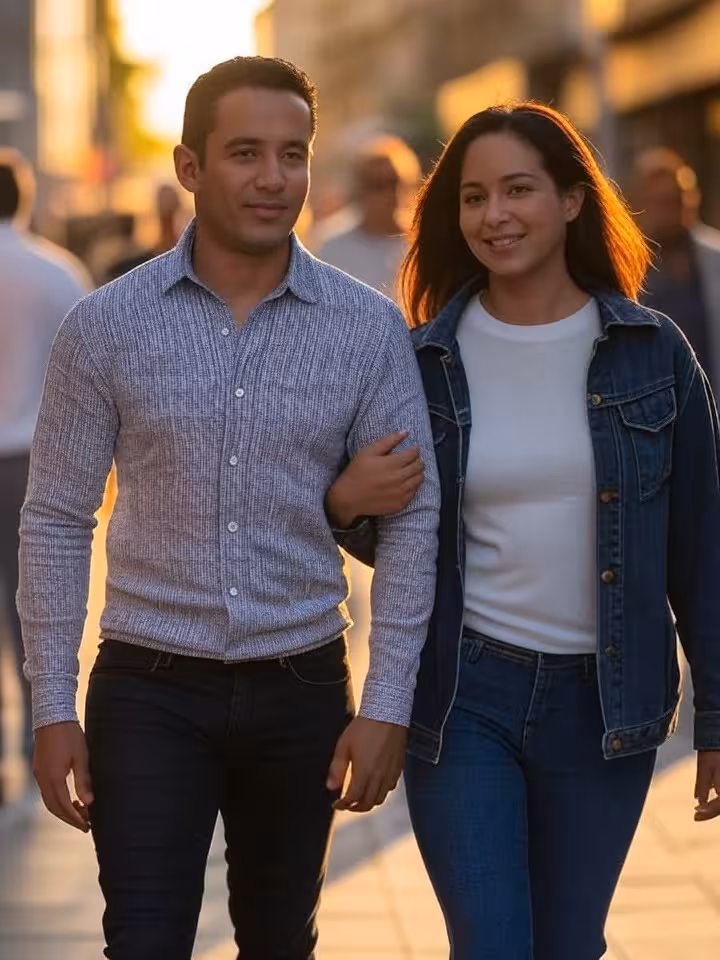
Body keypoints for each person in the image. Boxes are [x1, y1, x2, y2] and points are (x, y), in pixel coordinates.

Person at [17, 56, 438, 960]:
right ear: (189, 167)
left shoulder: (366, 329)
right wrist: (52, 706)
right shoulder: (105, 326)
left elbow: (412, 522)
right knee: (143, 939)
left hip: (303, 687)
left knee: (281, 943)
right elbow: (56, 515)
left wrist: (388, 703)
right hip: (146, 689)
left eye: (293, 154)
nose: (272, 178)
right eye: (245, 152)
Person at [326, 103, 720, 959]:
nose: (493, 216)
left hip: (606, 703)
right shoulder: (421, 361)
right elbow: (399, 533)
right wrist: (344, 503)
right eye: (473, 197)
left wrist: (718, 720)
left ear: (574, 199)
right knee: (493, 944)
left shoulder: (654, 354)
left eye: (518, 190)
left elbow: (702, 551)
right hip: (466, 696)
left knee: (570, 944)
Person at [0, 149, 89, 791]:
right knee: (28, 604)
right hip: (33, 459)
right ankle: (41, 729)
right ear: (22, 200)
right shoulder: (59, 273)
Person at [632, 147, 720, 389]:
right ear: (643, 204)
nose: (671, 212)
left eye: (677, 200)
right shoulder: (628, 265)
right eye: (661, 202)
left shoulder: (715, 257)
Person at [316, 135, 420, 300]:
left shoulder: (421, 245)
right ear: (360, 189)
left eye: (393, 182)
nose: (387, 193)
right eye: (377, 184)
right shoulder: (333, 247)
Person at [104, 182, 184, 281]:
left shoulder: (186, 259)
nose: (167, 218)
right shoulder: (128, 264)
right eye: (163, 212)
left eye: (170, 212)